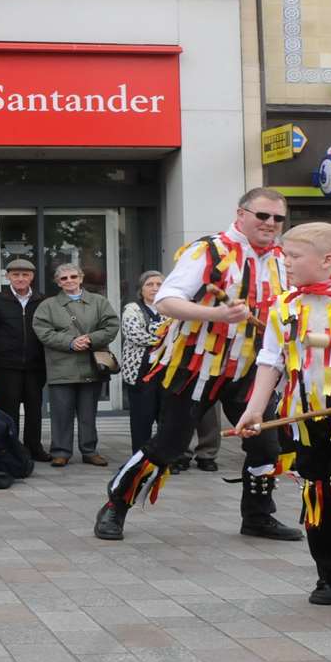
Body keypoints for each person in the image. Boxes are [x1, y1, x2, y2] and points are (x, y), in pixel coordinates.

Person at [95, 187, 298, 543]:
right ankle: (116, 505)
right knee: (171, 444)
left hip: (249, 368)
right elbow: (166, 301)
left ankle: (258, 517)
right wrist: (216, 313)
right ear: (241, 214)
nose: (270, 223)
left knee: (265, 443)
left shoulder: (282, 258)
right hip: (194, 367)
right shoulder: (209, 251)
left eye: (278, 218)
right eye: (262, 215)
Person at [234, 222, 331, 609]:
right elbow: (271, 361)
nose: (285, 262)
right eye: (285, 255)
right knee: (316, 493)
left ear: (328, 260)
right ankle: (329, 574)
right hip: (305, 418)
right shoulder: (284, 306)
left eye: (295, 256)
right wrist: (253, 410)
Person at [33, 263, 119, 467]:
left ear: (81, 278)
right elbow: (42, 331)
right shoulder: (48, 305)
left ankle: (89, 451)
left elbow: (111, 325)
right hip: (61, 366)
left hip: (90, 365)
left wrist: (90, 338)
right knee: (61, 413)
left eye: (73, 277)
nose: (69, 281)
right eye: (64, 278)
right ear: (57, 282)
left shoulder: (99, 302)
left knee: (88, 412)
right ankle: (61, 452)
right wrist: (70, 342)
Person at [0, 258, 49, 459]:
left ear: (32, 277)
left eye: (25, 275)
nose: (20, 279)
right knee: (8, 410)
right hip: (5, 366)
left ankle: (34, 447)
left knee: (35, 409)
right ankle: (10, 448)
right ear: (8, 276)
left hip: (36, 366)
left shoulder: (42, 301)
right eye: (16, 275)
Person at [120, 271, 164, 449]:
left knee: (166, 418)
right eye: (149, 284)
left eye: (159, 284)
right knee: (141, 419)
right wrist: (163, 336)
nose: (154, 288)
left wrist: (151, 329)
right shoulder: (131, 308)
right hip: (139, 372)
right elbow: (134, 334)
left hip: (166, 371)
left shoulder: (172, 307)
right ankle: (140, 457)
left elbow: (179, 331)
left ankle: (165, 457)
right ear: (141, 289)